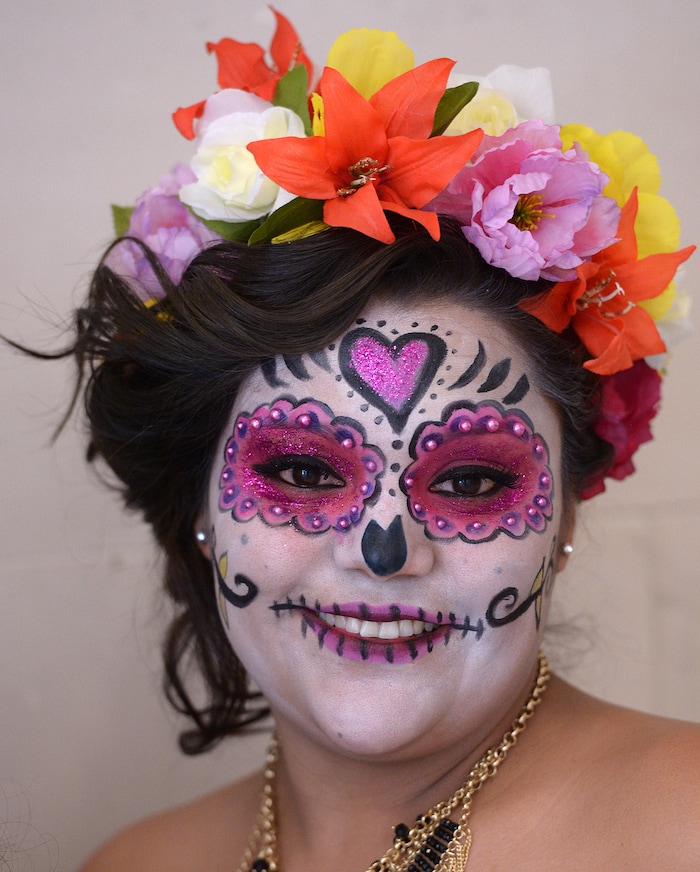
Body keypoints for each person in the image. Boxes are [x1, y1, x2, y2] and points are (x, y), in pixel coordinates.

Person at [68, 11, 699, 871]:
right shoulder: (136, 864)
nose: (384, 550)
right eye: (297, 469)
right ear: (200, 510)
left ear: (564, 526)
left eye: (474, 482)